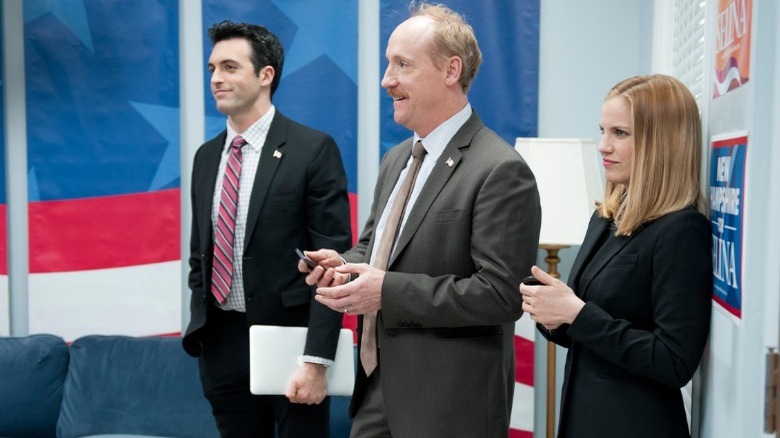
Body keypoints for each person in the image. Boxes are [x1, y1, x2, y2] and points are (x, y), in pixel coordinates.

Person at [300, 4, 541, 437]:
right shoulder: (396, 159)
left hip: (448, 407)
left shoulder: (500, 169)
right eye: (388, 63)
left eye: (403, 65)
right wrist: (342, 266)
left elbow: (501, 295)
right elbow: (376, 251)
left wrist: (385, 291)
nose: (386, 79)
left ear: (451, 70)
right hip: (377, 391)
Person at [182, 20, 352, 438]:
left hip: (290, 346)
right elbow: (199, 258)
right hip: (221, 347)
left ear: (265, 75)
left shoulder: (313, 150)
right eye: (212, 69)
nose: (217, 79)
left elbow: (335, 268)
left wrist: (316, 361)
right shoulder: (206, 157)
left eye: (229, 67)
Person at [519, 74, 712, 438]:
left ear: (662, 143)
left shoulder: (682, 230)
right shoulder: (606, 216)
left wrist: (575, 312)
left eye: (620, 133)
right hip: (583, 420)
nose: (603, 146)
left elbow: (674, 361)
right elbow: (589, 330)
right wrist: (553, 312)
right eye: (603, 131)